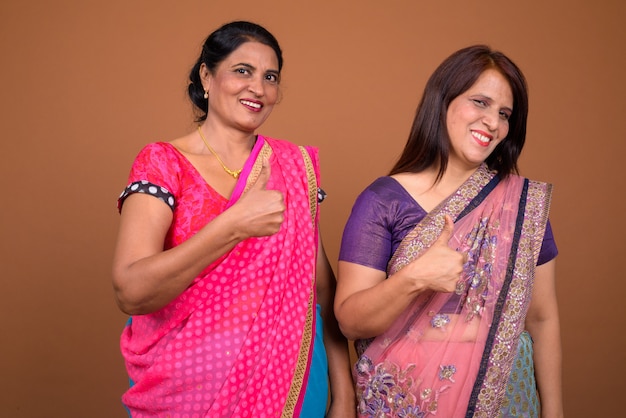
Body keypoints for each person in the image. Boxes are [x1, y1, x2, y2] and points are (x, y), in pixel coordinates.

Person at [112, 21, 355, 417]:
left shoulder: (293, 170)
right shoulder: (163, 163)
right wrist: (232, 226)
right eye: (243, 70)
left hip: (290, 383)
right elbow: (131, 291)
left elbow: (321, 293)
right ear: (207, 76)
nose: (258, 88)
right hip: (182, 391)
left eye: (270, 77)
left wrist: (344, 397)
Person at [335, 45, 563, 417]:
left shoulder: (519, 206)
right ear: (442, 101)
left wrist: (555, 412)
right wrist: (414, 277)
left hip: (506, 400)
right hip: (408, 401)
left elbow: (541, 317)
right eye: (480, 102)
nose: (493, 123)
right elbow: (350, 321)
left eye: (504, 113)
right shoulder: (383, 201)